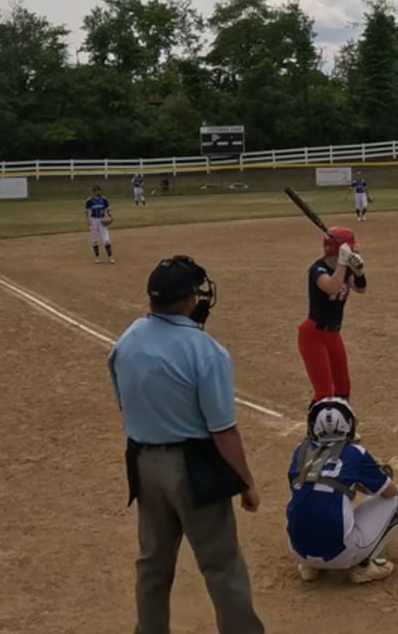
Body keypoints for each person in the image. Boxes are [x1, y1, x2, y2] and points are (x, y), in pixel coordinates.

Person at [108, 256, 265, 634]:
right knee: (222, 566)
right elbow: (223, 431)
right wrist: (246, 482)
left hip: (143, 464)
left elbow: (124, 403)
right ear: (190, 300)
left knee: (152, 564)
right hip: (193, 469)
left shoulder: (127, 339)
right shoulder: (205, 350)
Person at [286, 397, 398, 585]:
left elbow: (309, 484)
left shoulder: (300, 450)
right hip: (341, 554)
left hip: (297, 550)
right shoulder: (355, 453)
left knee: (309, 500)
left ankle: (310, 566)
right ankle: (363, 567)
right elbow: (390, 491)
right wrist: (370, 477)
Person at [298, 228, 365, 402]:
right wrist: (342, 263)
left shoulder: (346, 269)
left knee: (343, 389)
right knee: (325, 393)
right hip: (314, 336)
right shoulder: (318, 269)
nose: (354, 250)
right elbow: (332, 287)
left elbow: (361, 288)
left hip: (333, 335)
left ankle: (341, 419)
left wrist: (359, 273)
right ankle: (315, 421)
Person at [87, 185, 114, 264]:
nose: (99, 192)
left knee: (106, 239)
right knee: (94, 239)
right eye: (97, 191)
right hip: (93, 220)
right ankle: (97, 257)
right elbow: (86, 211)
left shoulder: (104, 199)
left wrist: (110, 216)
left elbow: (108, 209)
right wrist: (87, 220)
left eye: (99, 190)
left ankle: (110, 257)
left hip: (102, 219)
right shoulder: (89, 200)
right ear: (94, 192)